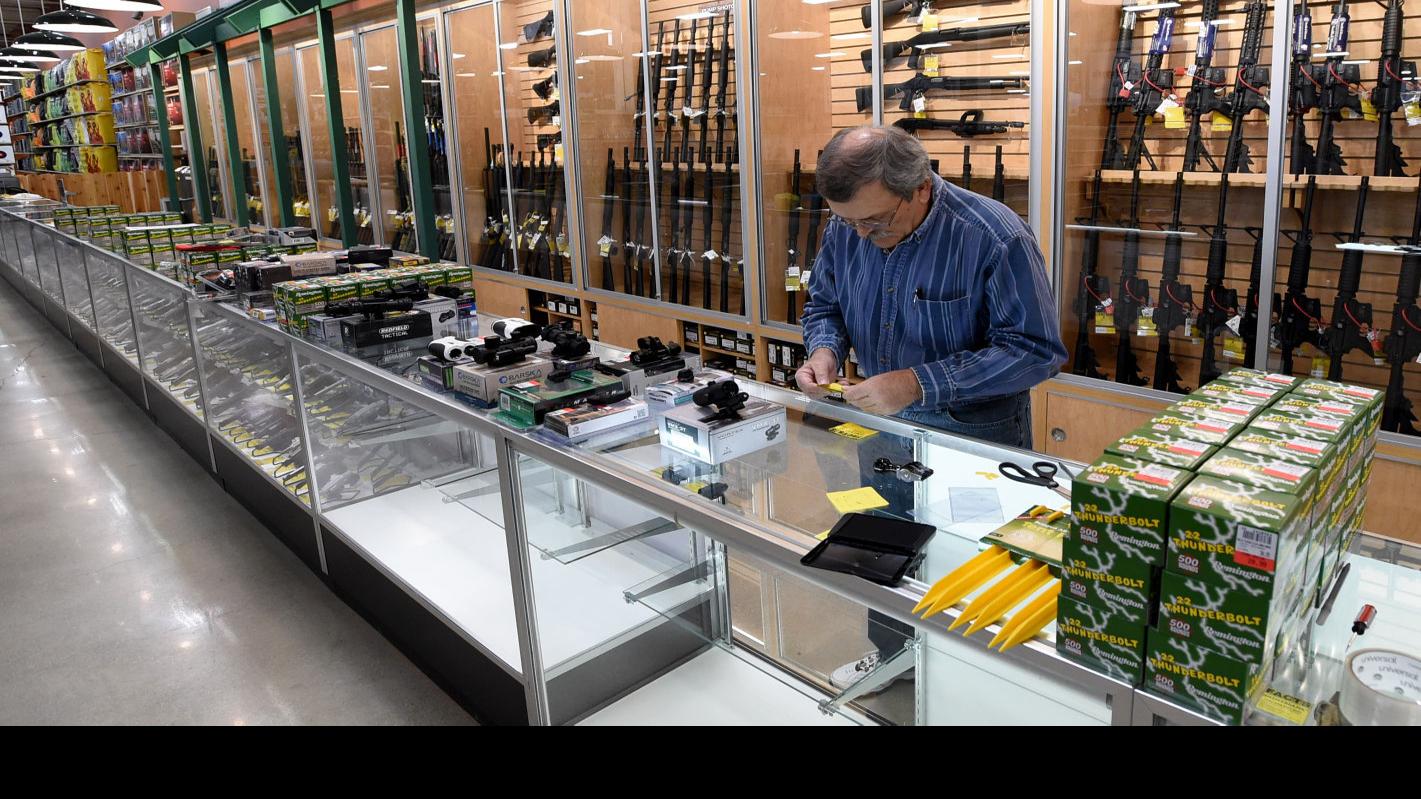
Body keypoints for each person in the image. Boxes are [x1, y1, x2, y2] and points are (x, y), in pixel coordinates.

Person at [795, 125, 1066, 693]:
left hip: (974, 435)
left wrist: (919, 383)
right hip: (882, 425)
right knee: (882, 544)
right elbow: (824, 304)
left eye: (875, 222)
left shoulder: (994, 235)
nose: (862, 235)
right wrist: (824, 350)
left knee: (971, 558)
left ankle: (974, 683)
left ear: (920, 188)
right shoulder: (850, 224)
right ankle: (894, 656)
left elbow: (1035, 351)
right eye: (849, 223)